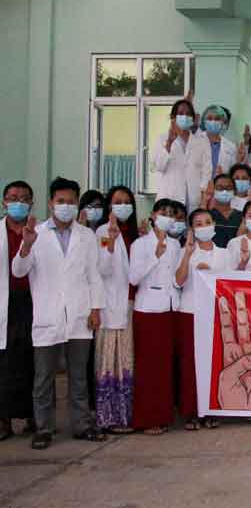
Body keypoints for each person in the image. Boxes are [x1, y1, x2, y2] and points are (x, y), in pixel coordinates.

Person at [12, 177, 106, 449]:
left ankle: (82, 425)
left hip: (79, 314)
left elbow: (93, 275)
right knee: (43, 378)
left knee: (79, 376)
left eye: (71, 201)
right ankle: (43, 428)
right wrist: (26, 245)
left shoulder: (86, 236)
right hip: (47, 316)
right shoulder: (36, 233)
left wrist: (96, 309)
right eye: (60, 201)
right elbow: (18, 271)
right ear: (51, 203)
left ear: (77, 204)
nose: (66, 206)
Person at [128, 199, 183, 435]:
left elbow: (177, 278)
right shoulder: (140, 244)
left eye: (172, 213)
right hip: (148, 309)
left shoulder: (176, 244)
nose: (167, 217)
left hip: (170, 308)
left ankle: (163, 416)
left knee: (165, 366)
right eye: (163, 212)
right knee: (148, 366)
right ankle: (147, 418)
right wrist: (155, 256)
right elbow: (133, 278)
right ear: (153, 215)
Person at [174, 209, 231, 430]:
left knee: (213, 362)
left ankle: (211, 410)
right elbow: (178, 282)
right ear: (192, 229)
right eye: (198, 223)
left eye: (207, 221)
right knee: (190, 364)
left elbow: (230, 283)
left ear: (214, 224)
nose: (204, 226)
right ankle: (191, 412)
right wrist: (188, 256)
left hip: (214, 313)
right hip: (190, 311)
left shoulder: (224, 254)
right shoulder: (184, 251)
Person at [93, 186, 138, 434]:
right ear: (109, 206)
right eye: (117, 202)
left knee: (128, 360)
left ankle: (126, 415)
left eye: (127, 201)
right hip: (110, 305)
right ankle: (108, 417)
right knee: (108, 361)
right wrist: (110, 242)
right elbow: (103, 269)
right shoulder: (102, 232)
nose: (122, 206)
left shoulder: (137, 233)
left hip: (132, 304)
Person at [1, 181, 36, 440]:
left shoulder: (40, 232)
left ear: (31, 204)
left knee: (32, 360)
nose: (18, 202)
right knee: (5, 363)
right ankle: (3, 420)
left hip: (33, 301)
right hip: (5, 302)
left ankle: (33, 416)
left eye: (24, 198)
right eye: (13, 197)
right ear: (4, 202)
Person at [152, 97, 206, 212]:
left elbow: (206, 172)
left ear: (193, 119)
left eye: (188, 114)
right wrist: (169, 143)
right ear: (173, 117)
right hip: (170, 197)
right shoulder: (162, 139)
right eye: (181, 113)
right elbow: (159, 166)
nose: (185, 117)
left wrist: (203, 198)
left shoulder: (201, 142)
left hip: (193, 200)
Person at [195, 104, 238, 179]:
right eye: (209, 118)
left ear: (223, 122)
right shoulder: (195, 141)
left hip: (221, 185)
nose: (213, 121)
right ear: (204, 121)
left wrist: (224, 176)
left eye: (217, 119)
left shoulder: (231, 147)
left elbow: (233, 172)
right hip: (198, 184)